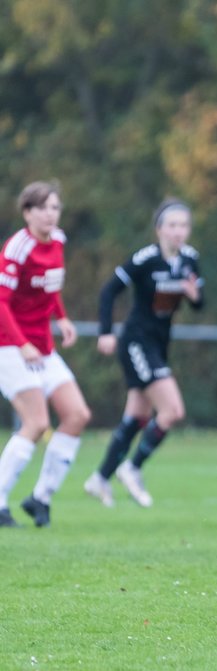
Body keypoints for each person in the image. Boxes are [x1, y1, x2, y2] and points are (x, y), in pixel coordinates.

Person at [85, 199, 204, 509]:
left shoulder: (190, 260)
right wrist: (106, 332)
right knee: (173, 411)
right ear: (159, 229)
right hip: (136, 342)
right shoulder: (145, 259)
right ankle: (132, 467)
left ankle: (100, 478)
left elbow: (198, 302)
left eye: (184, 225)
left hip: (159, 344)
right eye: (172, 225)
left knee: (138, 417)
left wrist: (195, 296)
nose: (179, 231)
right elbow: (109, 291)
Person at [0, 180, 92, 527]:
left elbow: (51, 287)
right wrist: (21, 344)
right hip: (9, 346)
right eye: (43, 208)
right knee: (37, 423)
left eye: (55, 207)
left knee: (78, 415)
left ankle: (40, 498)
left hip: (42, 347)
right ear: (27, 212)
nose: (50, 214)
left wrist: (63, 317)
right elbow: (1, 302)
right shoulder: (17, 248)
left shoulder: (59, 241)